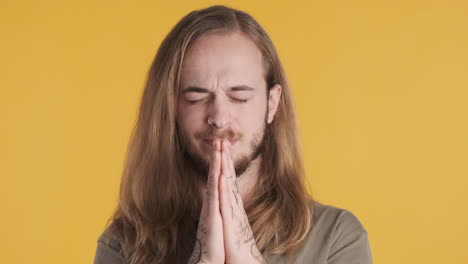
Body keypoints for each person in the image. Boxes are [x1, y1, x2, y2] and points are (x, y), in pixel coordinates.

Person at [94, 5, 372, 264]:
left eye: (239, 96)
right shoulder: (122, 245)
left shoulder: (336, 238)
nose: (219, 117)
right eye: (195, 97)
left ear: (271, 104)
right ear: (170, 109)